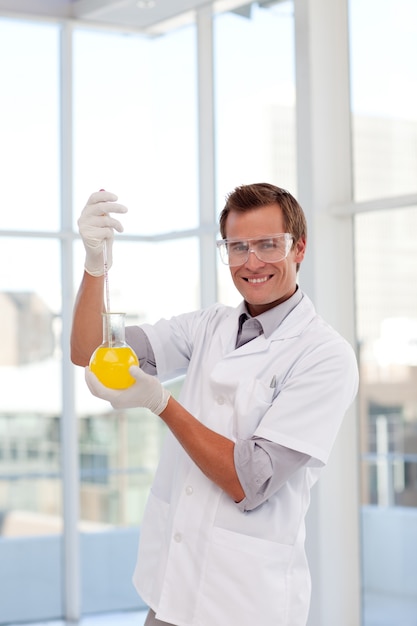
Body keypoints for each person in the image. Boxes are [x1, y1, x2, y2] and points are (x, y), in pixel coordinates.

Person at [71, 183, 358, 626]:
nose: (252, 261)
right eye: (238, 247)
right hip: (169, 589)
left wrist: (162, 403)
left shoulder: (324, 355)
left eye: (268, 245)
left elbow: (250, 479)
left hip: (245, 602)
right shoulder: (209, 325)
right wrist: (95, 266)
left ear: (298, 248)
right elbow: (89, 349)